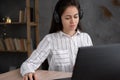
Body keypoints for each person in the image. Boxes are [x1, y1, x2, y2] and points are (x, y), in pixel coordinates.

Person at [20, 0, 93, 80]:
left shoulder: (86, 38)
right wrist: (28, 72)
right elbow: (28, 64)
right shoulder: (50, 40)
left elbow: (92, 64)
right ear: (58, 18)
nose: (73, 21)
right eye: (67, 18)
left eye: (76, 16)